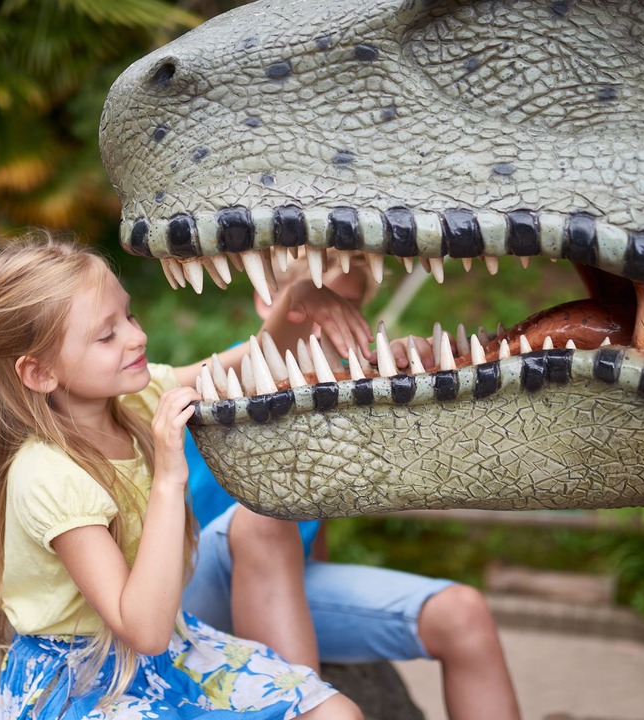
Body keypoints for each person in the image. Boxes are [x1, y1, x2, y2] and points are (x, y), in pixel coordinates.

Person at [0, 235, 364, 719]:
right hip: (82, 680)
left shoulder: (132, 398)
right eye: (106, 335)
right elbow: (143, 629)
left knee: (333, 711)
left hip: (168, 650)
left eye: (128, 316)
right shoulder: (49, 474)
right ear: (40, 373)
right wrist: (168, 479)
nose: (136, 337)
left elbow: (256, 357)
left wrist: (296, 304)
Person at [182, 253, 523, 720]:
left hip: (273, 584)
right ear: (268, 301)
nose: (329, 321)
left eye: (345, 307)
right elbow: (272, 345)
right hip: (188, 590)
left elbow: (312, 527)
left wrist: (419, 372)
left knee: (463, 611)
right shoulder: (226, 378)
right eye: (318, 305)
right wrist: (300, 304)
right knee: (266, 516)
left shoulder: (342, 398)